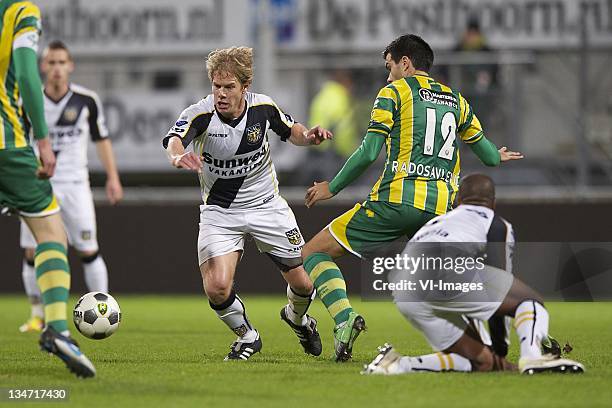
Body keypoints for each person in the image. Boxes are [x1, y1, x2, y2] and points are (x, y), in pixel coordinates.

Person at [301, 34, 523, 362]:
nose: (387, 74)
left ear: (405, 63)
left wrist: (331, 187)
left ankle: (345, 319)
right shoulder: (456, 99)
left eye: (389, 66)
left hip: (396, 202)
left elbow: (368, 152)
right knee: (453, 281)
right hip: (442, 211)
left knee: (315, 252)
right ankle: (499, 342)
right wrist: (497, 154)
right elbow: (489, 157)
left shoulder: (393, 92)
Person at [162, 47, 332, 361]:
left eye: (229, 87)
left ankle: (298, 320)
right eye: (216, 86)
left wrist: (309, 135)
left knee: (304, 284)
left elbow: (290, 130)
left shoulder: (263, 107)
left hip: (267, 206)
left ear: (245, 86)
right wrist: (176, 155)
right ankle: (247, 336)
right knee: (217, 287)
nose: (221, 94)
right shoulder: (200, 113)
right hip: (220, 212)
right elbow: (175, 138)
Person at [362, 174, 584, 375]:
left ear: (458, 200)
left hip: (404, 290)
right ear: (494, 203)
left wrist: (495, 357)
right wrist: (500, 347)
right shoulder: (495, 223)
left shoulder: (438, 221)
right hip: (443, 273)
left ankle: (395, 365)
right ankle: (533, 357)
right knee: (530, 300)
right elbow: (501, 280)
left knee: (482, 363)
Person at [0, 0, 95, 377]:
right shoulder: (21, 10)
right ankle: (56, 327)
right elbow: (25, 72)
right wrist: (42, 138)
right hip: (8, 146)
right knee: (51, 234)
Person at [18, 40, 123, 333]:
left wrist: (113, 177)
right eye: (51, 62)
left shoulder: (86, 100)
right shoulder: (29, 100)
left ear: (70, 66)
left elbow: (102, 140)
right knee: (32, 252)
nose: (56, 68)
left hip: (76, 185)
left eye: (61, 62)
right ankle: (37, 314)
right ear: (42, 66)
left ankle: (105, 307)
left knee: (88, 249)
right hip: (39, 185)